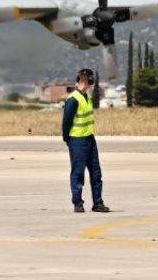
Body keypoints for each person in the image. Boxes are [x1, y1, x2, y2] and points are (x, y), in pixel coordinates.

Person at [62, 68, 110, 213]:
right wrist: (67, 139)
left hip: (89, 139)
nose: (91, 84)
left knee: (96, 173)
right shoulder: (73, 99)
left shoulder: (87, 97)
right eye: (90, 80)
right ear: (87, 80)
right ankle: (78, 203)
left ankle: (98, 203)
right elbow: (66, 122)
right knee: (78, 173)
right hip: (77, 140)